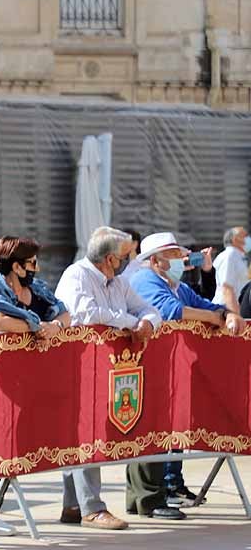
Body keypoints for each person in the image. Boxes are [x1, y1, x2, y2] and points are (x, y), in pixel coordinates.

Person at [54, 226, 163, 531]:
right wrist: (131, 323)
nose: (129, 261)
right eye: (125, 256)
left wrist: (145, 323)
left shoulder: (117, 282)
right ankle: (92, 508)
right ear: (110, 259)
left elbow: (148, 309)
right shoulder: (77, 275)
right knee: (85, 433)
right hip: (78, 366)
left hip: (109, 369)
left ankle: (73, 505)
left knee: (86, 433)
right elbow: (87, 313)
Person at [130, 232, 244, 513]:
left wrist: (227, 314)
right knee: (151, 429)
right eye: (171, 254)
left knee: (172, 425)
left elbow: (203, 303)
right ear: (155, 260)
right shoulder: (144, 280)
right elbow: (172, 312)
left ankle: (168, 486)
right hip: (148, 365)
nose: (179, 258)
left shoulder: (176, 284)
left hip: (172, 367)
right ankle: (150, 496)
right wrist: (214, 317)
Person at [0, 236, 70, 534]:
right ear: (15, 266)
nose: (36, 268)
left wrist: (56, 327)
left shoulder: (37, 289)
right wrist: (36, 326)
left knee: (17, 439)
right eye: (31, 263)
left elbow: (64, 313)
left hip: (30, 379)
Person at [212, 226, 250, 313]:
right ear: (234, 239)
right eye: (245, 236)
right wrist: (234, 313)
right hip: (226, 311)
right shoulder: (229, 256)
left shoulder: (239, 257)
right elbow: (227, 287)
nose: (248, 239)